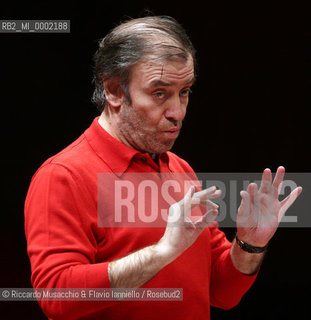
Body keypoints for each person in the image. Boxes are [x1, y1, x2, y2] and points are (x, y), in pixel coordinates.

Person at [24, 15, 302, 320]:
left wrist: (250, 244)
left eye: (184, 92)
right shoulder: (63, 176)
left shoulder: (181, 171)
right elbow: (57, 297)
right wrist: (161, 253)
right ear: (114, 91)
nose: (177, 112)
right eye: (160, 93)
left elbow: (220, 294)